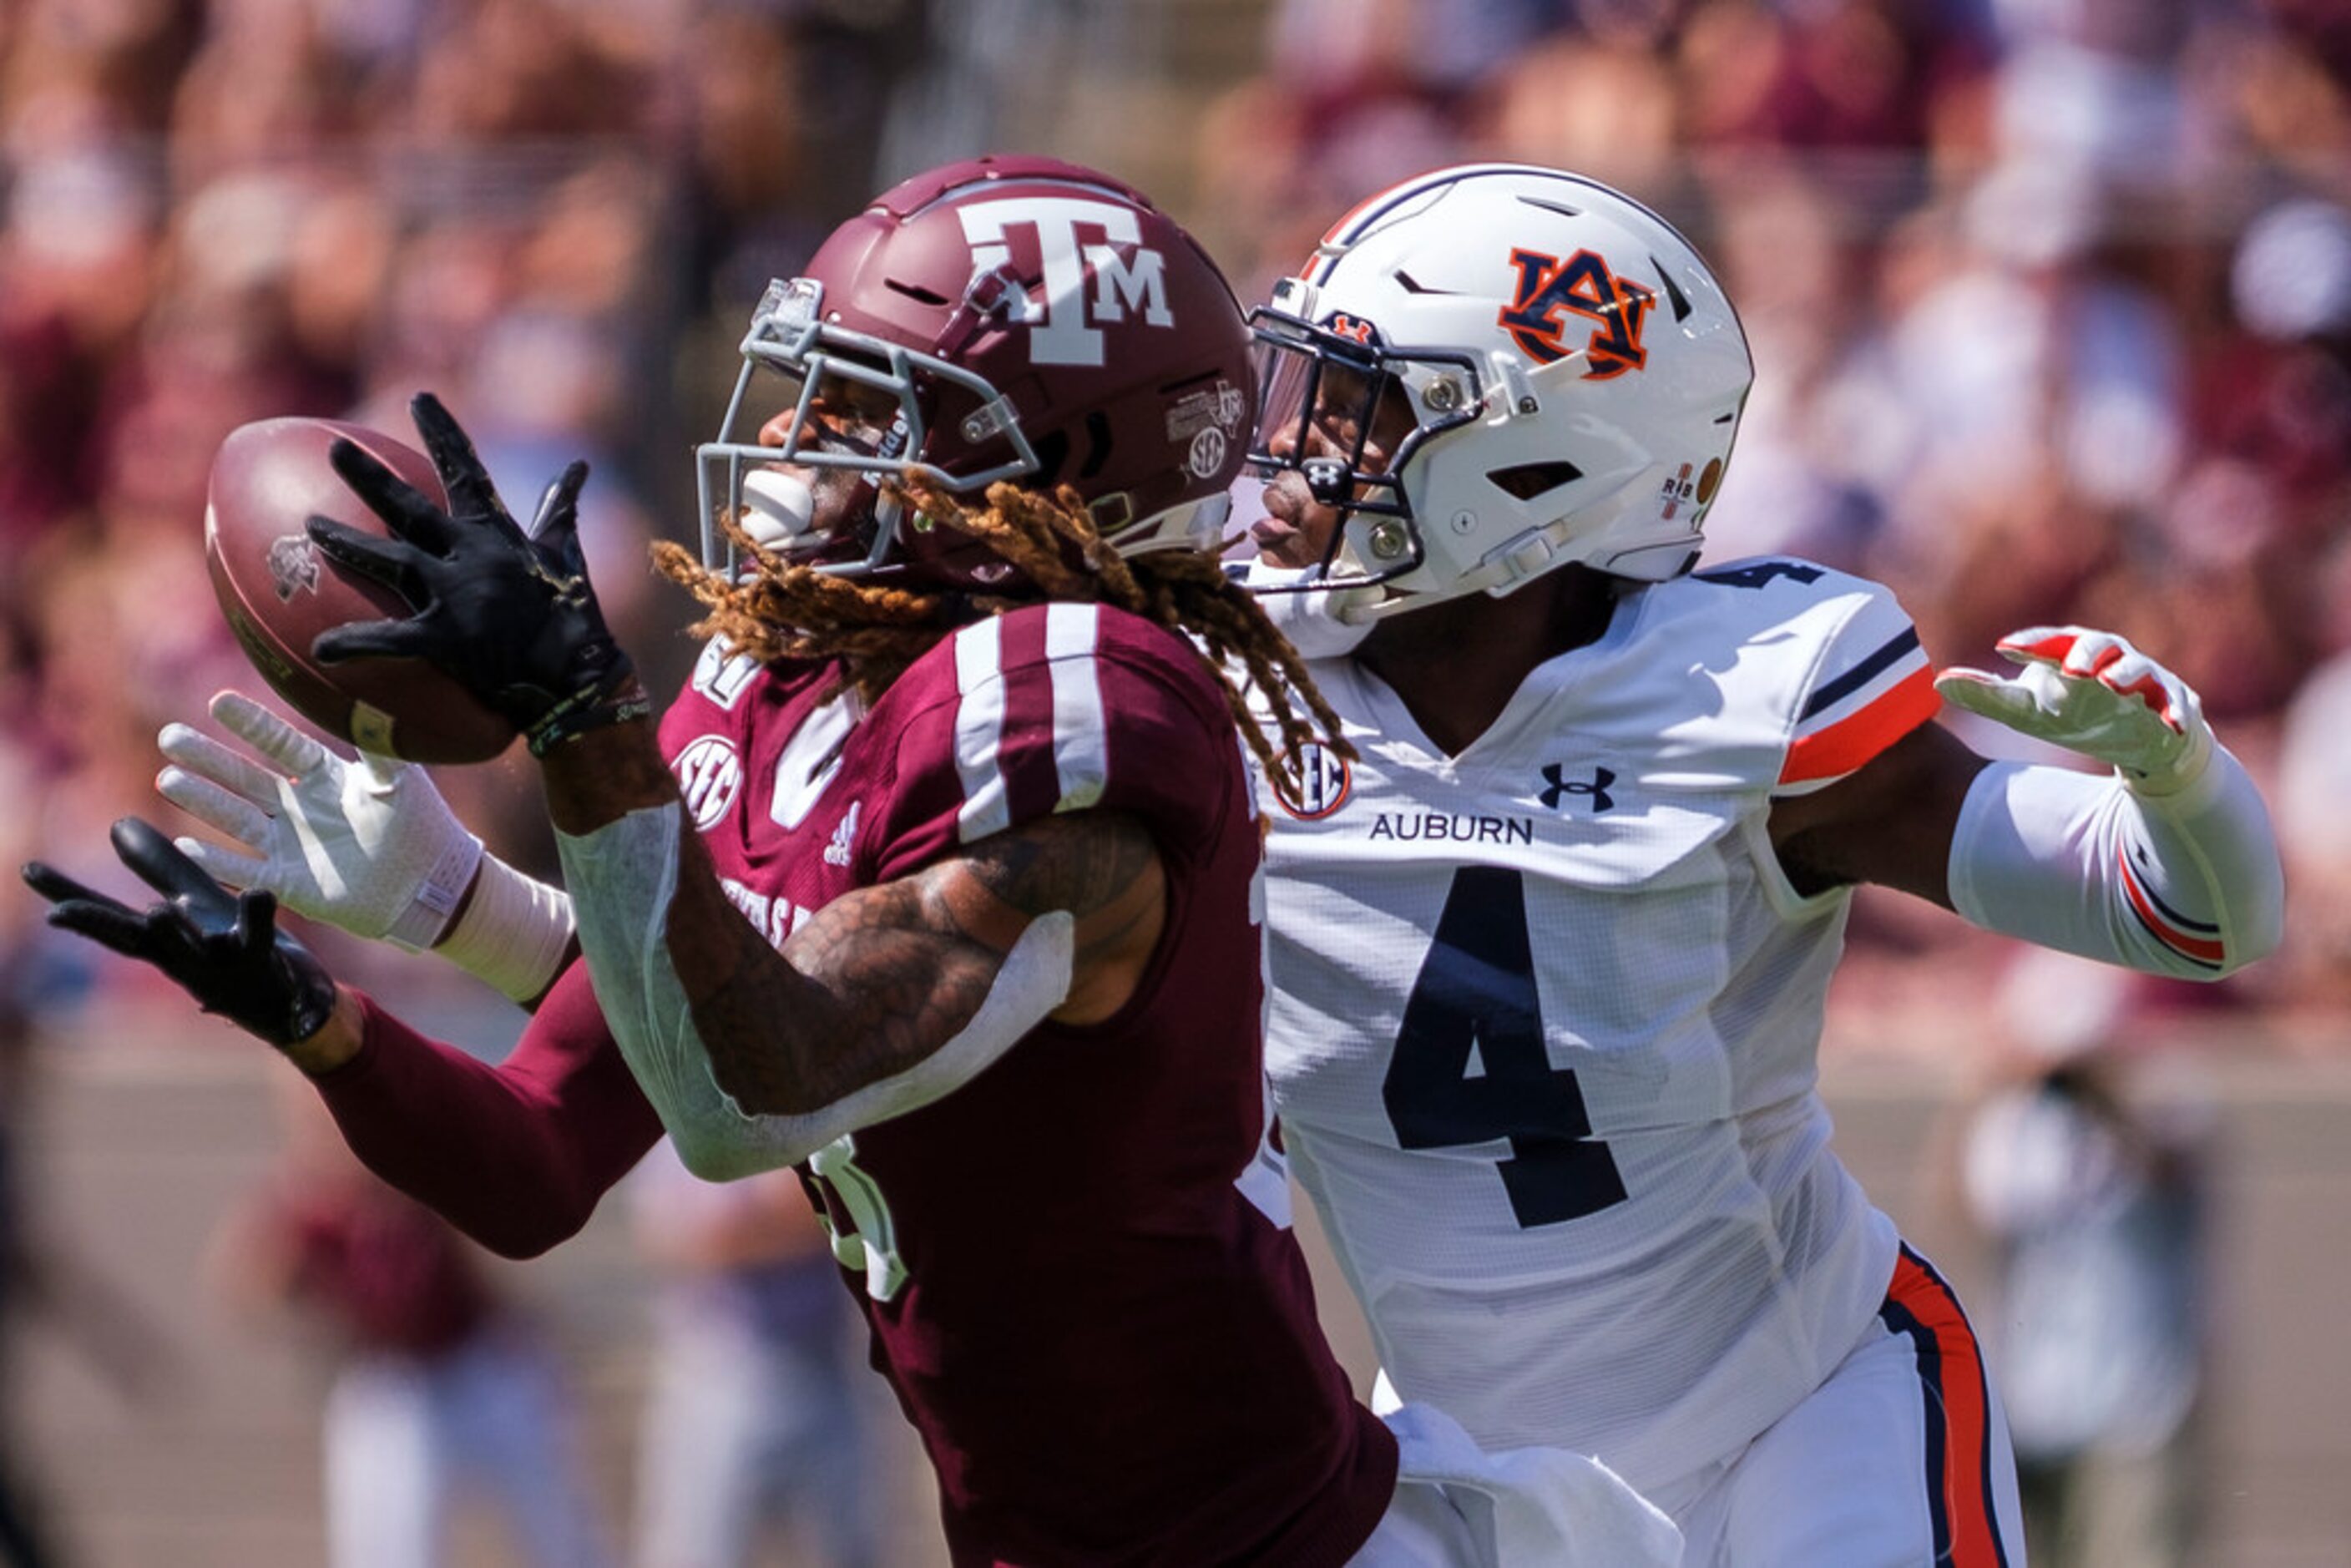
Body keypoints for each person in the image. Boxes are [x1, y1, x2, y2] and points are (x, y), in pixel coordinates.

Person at [24, 157, 1679, 1566]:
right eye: (814, 380)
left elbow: (758, 1090)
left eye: (877, 404)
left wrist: (581, 734)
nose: (806, 436)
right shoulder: (772, 689)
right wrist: (333, 1009)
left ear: (1066, 464)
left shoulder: (1080, 704)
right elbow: (542, 1162)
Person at [1232, 162, 2283, 1565]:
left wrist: (2176, 779)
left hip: (1802, 1421)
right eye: (1306, 395)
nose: (1297, 457)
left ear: (1529, 463)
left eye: (1365, 412)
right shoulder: (1217, 697)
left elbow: (2196, 919)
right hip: (1466, 1468)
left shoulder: (1741, 695)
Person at [209, 1080, 617, 1568]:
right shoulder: (303, 1204)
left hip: (477, 1359)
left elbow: (494, 1268)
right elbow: (244, 1293)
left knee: (564, 1536)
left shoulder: (416, 1165)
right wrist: (291, 1254)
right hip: (388, 1381)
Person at [1950, 951, 2215, 1568]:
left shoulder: (2168, 1101)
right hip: (2030, 1398)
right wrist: (1993, 1090)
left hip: (2136, 1404)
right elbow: (1965, 1211)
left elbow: (2172, 1170)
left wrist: (2105, 1095)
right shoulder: (2015, 1124)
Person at [624, 1143, 886, 1568]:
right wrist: (800, 1216)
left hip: (828, 1364)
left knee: (851, 1552)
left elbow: (845, 1208)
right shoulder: (687, 1112)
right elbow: (688, 1237)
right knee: (698, 1552)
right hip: (723, 1370)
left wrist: (790, 1216)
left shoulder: (816, 1103)